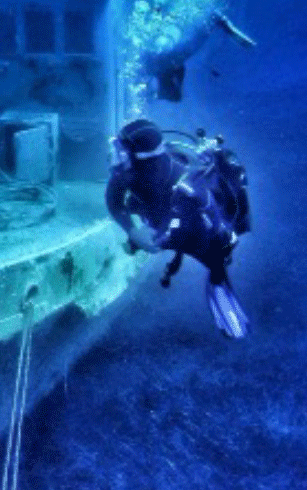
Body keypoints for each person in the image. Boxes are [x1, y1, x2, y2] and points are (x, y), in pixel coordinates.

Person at [106, 119, 251, 338]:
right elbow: (114, 200)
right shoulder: (129, 171)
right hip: (157, 214)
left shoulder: (188, 188)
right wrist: (133, 230)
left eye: (122, 151)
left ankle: (220, 285)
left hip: (194, 229)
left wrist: (155, 239)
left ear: (143, 158)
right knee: (150, 227)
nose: (118, 158)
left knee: (215, 259)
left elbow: (209, 228)